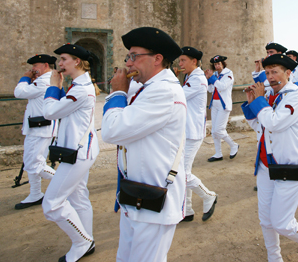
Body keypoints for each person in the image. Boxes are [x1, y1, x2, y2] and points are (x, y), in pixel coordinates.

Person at [101, 27, 186, 262]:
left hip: (154, 199)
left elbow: (111, 131)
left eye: (134, 57)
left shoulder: (164, 91)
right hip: (136, 194)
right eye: (128, 57)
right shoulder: (148, 87)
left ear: (157, 59)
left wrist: (117, 93)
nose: (128, 64)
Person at [242, 54, 298, 262]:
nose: (270, 77)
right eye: (267, 73)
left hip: (288, 166)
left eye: (275, 72)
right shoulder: (270, 97)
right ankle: (274, 258)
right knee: (266, 221)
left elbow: (274, 123)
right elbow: (261, 127)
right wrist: (252, 105)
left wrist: (259, 102)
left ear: (287, 73)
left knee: (282, 223)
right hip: (266, 165)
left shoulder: (294, 96)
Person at [42, 43, 99, 262]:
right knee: (79, 197)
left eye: (64, 59)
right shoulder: (79, 85)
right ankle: (87, 240)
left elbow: (49, 112)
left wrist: (53, 86)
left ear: (76, 61)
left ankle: (82, 242)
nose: (60, 64)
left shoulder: (81, 90)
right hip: (77, 150)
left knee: (52, 204)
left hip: (77, 153)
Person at [177, 46, 218, 222]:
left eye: (183, 60)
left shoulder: (198, 79)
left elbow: (176, 96)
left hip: (192, 132)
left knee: (182, 174)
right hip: (186, 131)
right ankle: (186, 210)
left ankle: (208, 195)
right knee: (183, 171)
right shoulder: (190, 77)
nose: (179, 64)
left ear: (194, 61)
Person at [13, 54, 58, 210]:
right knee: (32, 162)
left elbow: (18, 93)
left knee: (35, 164)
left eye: (36, 66)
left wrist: (25, 78)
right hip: (37, 128)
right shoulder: (45, 80)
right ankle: (35, 193)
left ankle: (66, 184)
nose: (33, 70)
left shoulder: (44, 81)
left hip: (40, 129)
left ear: (45, 65)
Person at [205, 55, 239, 162]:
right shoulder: (214, 74)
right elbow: (211, 90)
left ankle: (233, 145)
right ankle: (218, 153)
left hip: (223, 104)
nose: (217, 66)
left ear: (223, 64)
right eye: (215, 64)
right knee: (214, 131)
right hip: (214, 104)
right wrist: (208, 80)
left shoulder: (228, 74)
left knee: (219, 130)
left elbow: (222, 86)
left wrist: (212, 78)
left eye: (219, 64)